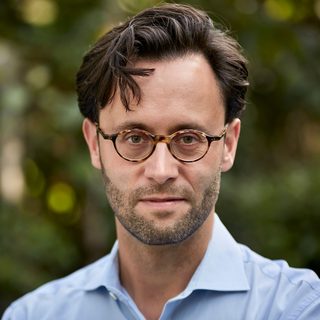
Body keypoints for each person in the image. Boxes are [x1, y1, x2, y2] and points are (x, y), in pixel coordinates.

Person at [3, 3, 320, 320]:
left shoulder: (299, 308)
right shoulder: (35, 315)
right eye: (135, 138)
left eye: (188, 138)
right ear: (94, 144)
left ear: (229, 144)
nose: (161, 171)